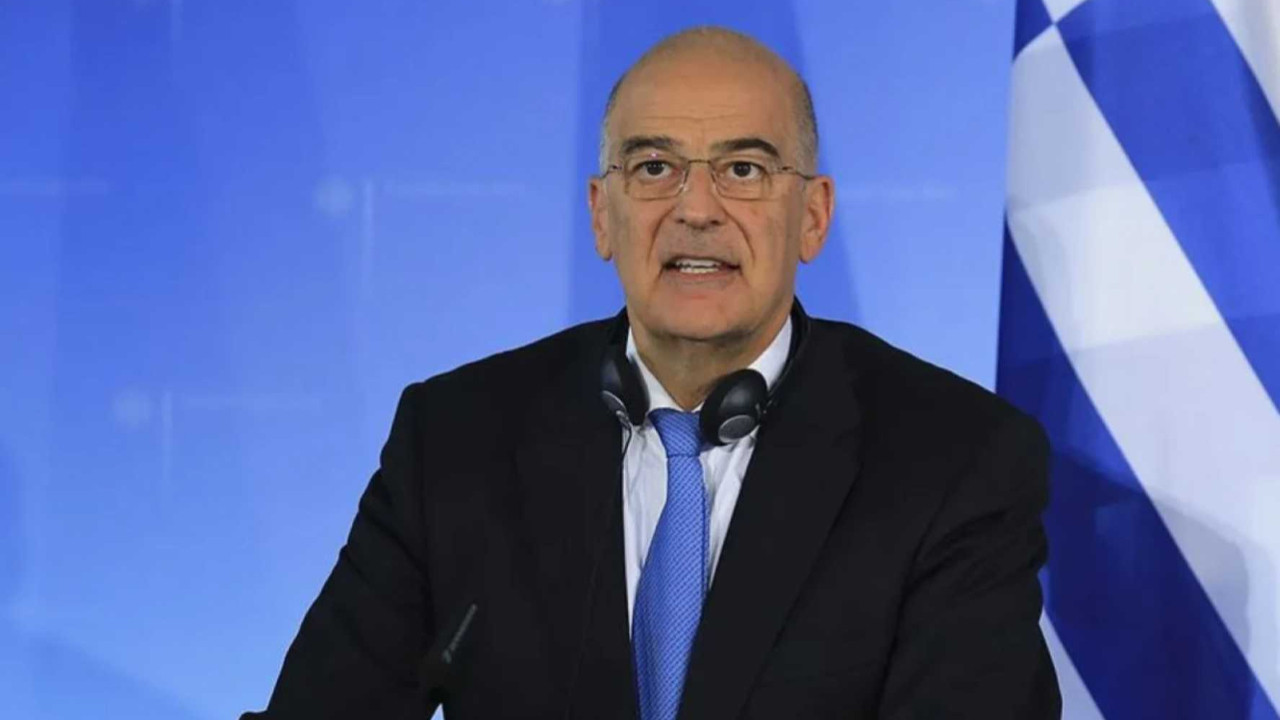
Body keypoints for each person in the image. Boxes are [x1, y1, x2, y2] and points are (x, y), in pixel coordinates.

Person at [244, 26, 1061, 720]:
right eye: (653, 168)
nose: (695, 209)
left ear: (813, 217)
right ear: (602, 215)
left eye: (744, 169)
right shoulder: (456, 440)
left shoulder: (956, 460)